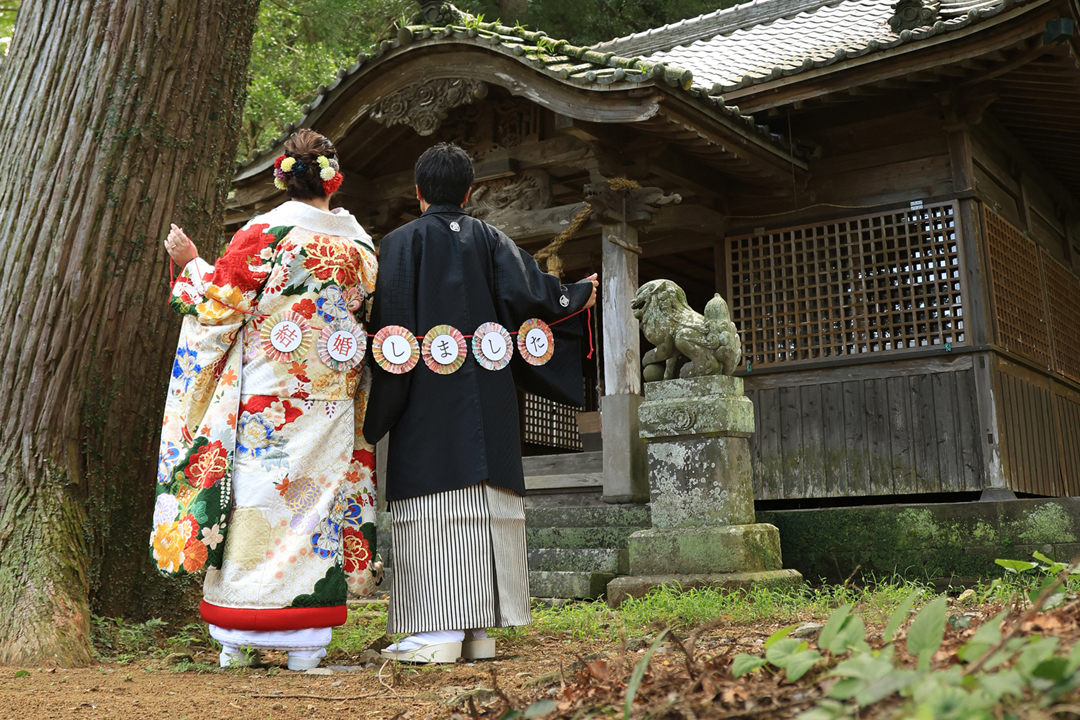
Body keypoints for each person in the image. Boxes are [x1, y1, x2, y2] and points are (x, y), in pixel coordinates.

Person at [153, 129, 380, 670]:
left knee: (258, 496)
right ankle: (308, 630)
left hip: (267, 397)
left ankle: (239, 624)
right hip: (331, 399)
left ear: (283, 177)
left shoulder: (264, 233)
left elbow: (219, 307)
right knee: (318, 500)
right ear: (334, 178)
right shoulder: (362, 247)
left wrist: (190, 264)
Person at [363, 142, 599, 663]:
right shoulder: (492, 239)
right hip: (489, 394)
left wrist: (380, 403)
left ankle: (436, 634)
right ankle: (478, 633)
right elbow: (538, 295)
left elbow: (390, 326)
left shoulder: (400, 244)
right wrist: (576, 291)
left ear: (418, 192)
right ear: (469, 193)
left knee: (434, 503)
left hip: (426, 394)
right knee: (486, 499)